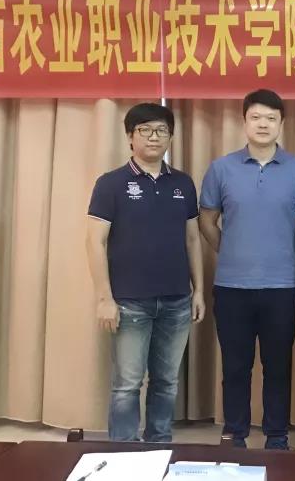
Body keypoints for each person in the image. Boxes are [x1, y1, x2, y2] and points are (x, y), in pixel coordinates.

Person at [199, 89, 295, 450]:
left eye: (270, 118)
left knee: (277, 366)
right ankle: (235, 434)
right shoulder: (221, 168)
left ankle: (277, 436)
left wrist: (287, 253)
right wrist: (231, 250)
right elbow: (206, 222)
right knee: (235, 366)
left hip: (281, 286)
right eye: (256, 117)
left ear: (282, 124)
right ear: (244, 122)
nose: (263, 124)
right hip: (231, 286)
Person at [86, 102, 206, 442]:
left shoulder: (183, 183)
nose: (154, 137)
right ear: (130, 137)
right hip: (129, 302)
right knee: (127, 384)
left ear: (170, 137)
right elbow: (95, 242)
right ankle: (123, 453)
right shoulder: (111, 184)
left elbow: (192, 238)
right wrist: (104, 298)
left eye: (162, 130)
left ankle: (158, 446)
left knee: (166, 382)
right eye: (145, 130)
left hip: (177, 301)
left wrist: (198, 290)